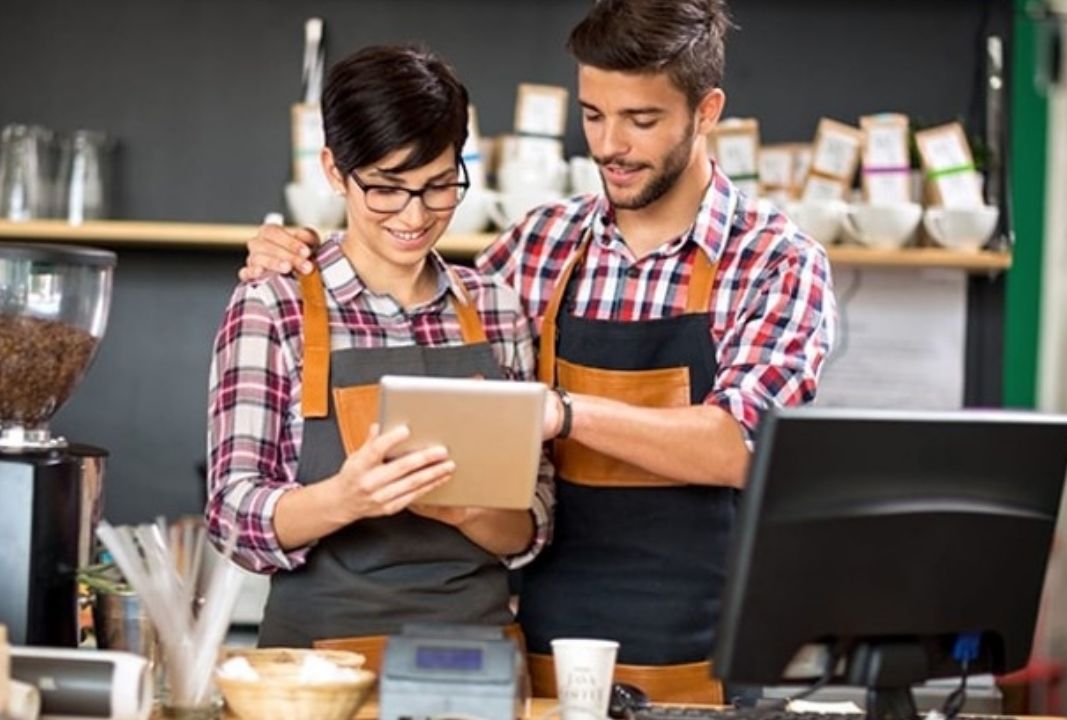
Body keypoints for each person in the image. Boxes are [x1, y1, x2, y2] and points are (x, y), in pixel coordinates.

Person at [239, 0, 836, 700]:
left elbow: (745, 445)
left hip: (705, 658)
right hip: (546, 653)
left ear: (706, 112)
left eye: (641, 120)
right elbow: (410, 301)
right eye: (593, 115)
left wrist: (561, 411)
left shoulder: (776, 261)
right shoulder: (541, 244)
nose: (610, 144)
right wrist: (301, 254)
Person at [205, 45, 556, 661]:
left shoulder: (497, 310)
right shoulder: (274, 306)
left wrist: (472, 511)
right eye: (387, 189)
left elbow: (532, 524)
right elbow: (232, 516)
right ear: (335, 172)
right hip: (315, 672)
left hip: (479, 666)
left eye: (440, 186)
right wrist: (347, 498)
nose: (415, 216)